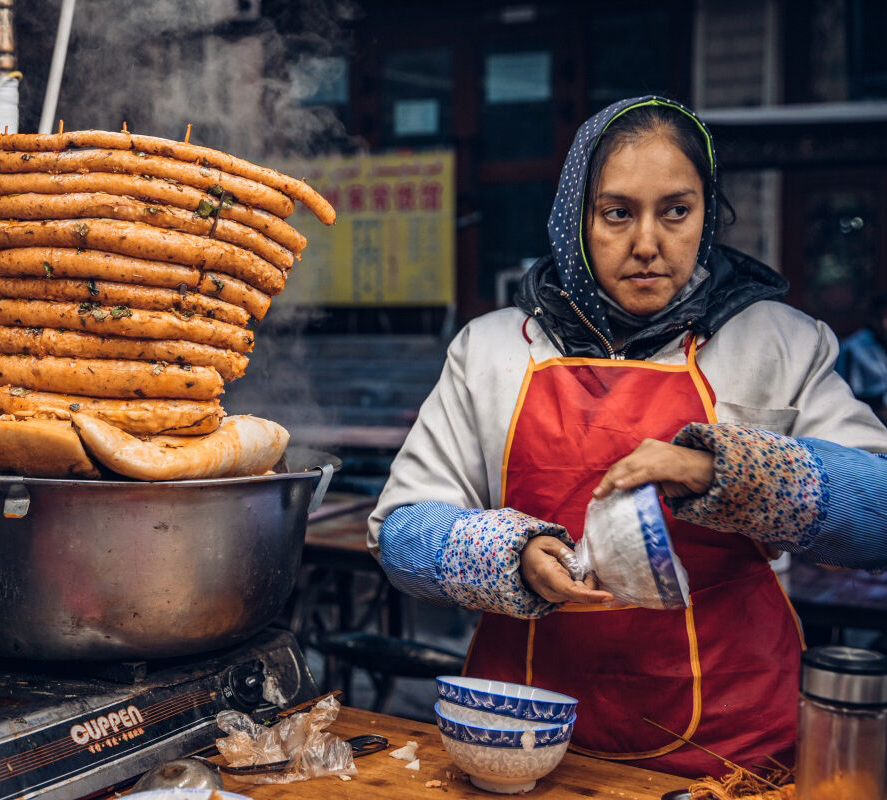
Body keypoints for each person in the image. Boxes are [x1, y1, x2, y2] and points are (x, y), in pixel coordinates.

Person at [368, 96, 887, 780]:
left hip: (731, 756)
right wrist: (512, 556)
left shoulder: (778, 343)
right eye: (617, 213)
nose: (648, 243)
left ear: (709, 210)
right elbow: (402, 533)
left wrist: (719, 468)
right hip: (521, 752)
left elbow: (878, 517)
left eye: (676, 211)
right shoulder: (492, 350)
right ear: (575, 218)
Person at [835, 293, 887, 422]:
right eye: (882, 316)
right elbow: (844, 394)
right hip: (867, 416)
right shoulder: (852, 348)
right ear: (873, 317)